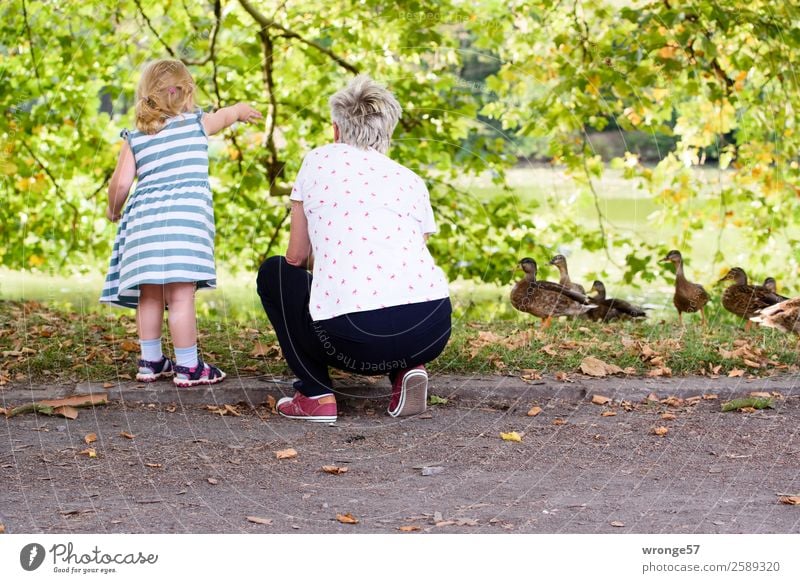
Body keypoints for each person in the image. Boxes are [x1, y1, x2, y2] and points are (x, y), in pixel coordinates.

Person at [257, 75, 452, 423]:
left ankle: (315, 395)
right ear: (387, 130)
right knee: (394, 290)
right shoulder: (410, 179)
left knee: (276, 273)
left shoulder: (317, 161)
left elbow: (296, 257)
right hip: (431, 327)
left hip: (352, 341)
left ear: (336, 129)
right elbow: (411, 253)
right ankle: (408, 368)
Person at [100, 59, 261, 387]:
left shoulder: (135, 138)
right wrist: (240, 109)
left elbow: (119, 185)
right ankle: (188, 366)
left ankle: (151, 361)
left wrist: (114, 210)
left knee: (150, 295)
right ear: (187, 94)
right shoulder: (197, 123)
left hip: (143, 227)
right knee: (181, 296)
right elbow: (225, 116)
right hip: (184, 227)